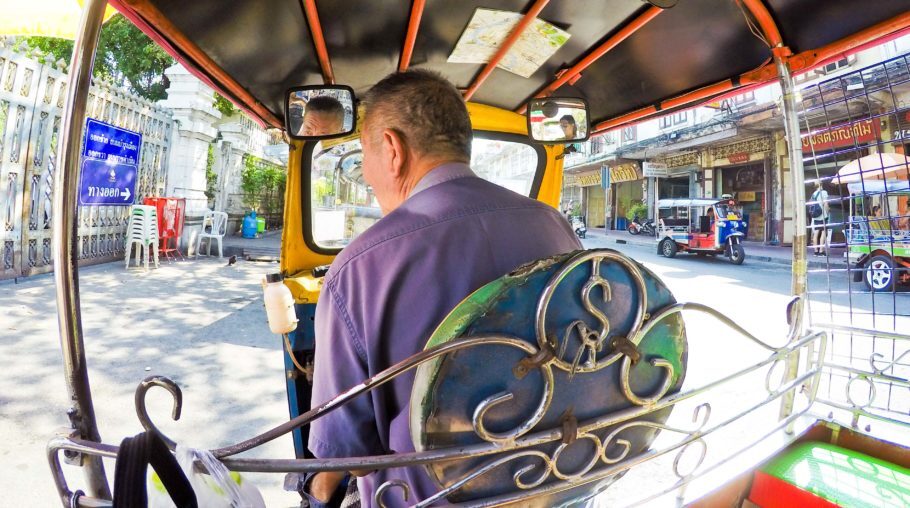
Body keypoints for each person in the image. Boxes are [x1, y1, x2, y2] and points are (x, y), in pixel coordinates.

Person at [305, 70, 582, 507]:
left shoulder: (358, 268)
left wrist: (317, 496)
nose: (369, 176)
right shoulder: (554, 225)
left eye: (366, 157)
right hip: (558, 483)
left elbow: (349, 454)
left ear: (393, 150)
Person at [809, 183, 829, 256]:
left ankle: (815, 251)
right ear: (821, 185)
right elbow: (826, 204)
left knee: (816, 233)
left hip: (816, 216)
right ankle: (821, 251)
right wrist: (827, 213)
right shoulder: (824, 192)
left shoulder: (814, 194)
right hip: (823, 215)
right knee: (823, 233)